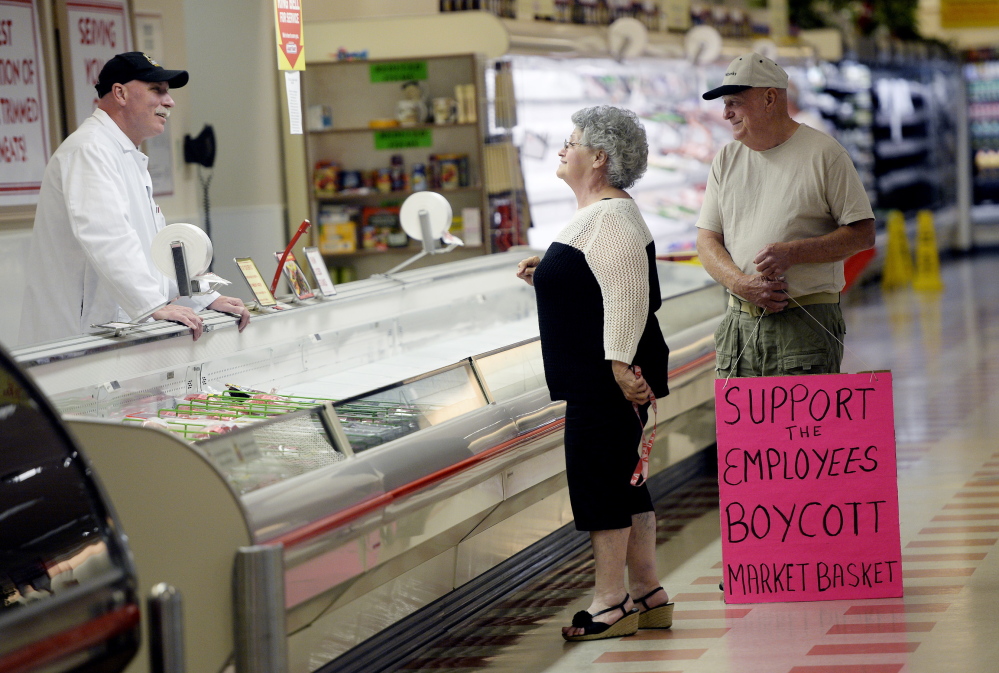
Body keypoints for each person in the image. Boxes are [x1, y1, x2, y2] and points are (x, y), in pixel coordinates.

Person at [516, 106, 673, 642]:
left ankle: (610, 603)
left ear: (599, 158)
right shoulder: (601, 214)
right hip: (605, 375)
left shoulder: (609, 215)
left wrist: (617, 366)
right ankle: (648, 592)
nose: (562, 150)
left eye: (572, 142)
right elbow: (602, 285)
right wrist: (549, 278)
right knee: (627, 487)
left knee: (600, 487)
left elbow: (629, 296)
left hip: (603, 380)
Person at [18, 52, 250, 345]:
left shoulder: (125, 154)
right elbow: (107, 236)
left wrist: (203, 299)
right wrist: (152, 305)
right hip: (76, 337)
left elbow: (156, 251)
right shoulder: (90, 149)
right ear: (120, 93)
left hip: (115, 333)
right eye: (157, 90)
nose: (170, 101)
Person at [695, 53, 875, 378]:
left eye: (734, 102)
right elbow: (707, 239)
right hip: (739, 326)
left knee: (803, 431)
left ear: (769, 98)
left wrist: (793, 253)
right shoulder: (726, 158)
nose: (725, 113)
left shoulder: (824, 154)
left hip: (804, 325)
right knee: (746, 431)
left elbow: (863, 233)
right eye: (724, 104)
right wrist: (740, 282)